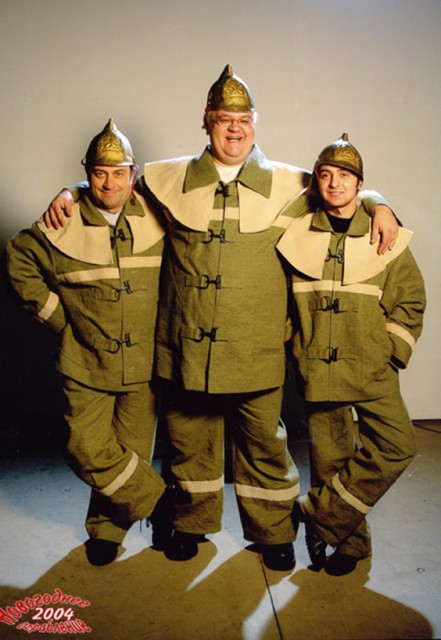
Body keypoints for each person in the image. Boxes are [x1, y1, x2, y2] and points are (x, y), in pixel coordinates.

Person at [42, 66, 399, 571]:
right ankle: (190, 524)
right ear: (206, 120)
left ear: (255, 123)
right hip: (185, 346)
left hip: (257, 345)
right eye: (224, 119)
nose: (234, 129)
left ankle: (275, 532)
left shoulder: (291, 182)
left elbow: (342, 191)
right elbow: (111, 186)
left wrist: (379, 202)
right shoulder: (165, 179)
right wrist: (72, 190)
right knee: (189, 442)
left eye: (244, 119)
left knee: (264, 446)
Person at [6, 119, 168, 566]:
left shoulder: (158, 213)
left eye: (119, 173)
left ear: (133, 174)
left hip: (144, 363)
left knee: (130, 453)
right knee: (85, 445)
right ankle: (162, 504)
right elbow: (18, 257)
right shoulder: (64, 218)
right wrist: (60, 319)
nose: (109, 183)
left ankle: (106, 531)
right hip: (84, 359)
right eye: (98, 173)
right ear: (87, 173)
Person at [277, 133, 426, 575]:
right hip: (318, 367)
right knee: (331, 459)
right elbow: (281, 304)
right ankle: (350, 545)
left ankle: (316, 514)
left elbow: (411, 299)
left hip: (372, 367)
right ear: (316, 181)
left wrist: (390, 352)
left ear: (360, 184)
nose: (334, 183)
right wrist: (297, 345)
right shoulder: (297, 233)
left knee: (398, 446)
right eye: (325, 175)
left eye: (345, 176)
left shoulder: (385, 233)